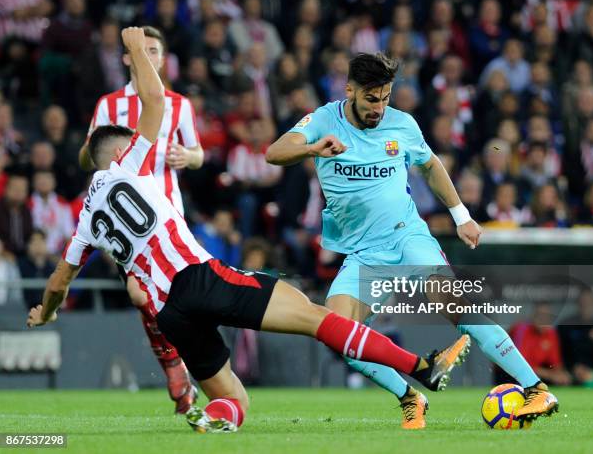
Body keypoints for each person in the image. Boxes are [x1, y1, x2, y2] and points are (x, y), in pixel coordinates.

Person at [26, 27, 469, 434]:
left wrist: (45, 312)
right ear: (122, 151)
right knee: (320, 318)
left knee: (234, 397)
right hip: (200, 278)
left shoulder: (85, 218)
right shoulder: (132, 165)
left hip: (169, 315)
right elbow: (156, 103)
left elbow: (59, 282)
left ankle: (215, 415)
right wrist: (139, 49)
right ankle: (421, 367)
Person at [266, 52, 559, 428]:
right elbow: (274, 153)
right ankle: (411, 395)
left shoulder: (402, 125)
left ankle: (535, 387)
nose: (380, 107)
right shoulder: (323, 120)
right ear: (350, 90)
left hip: (407, 236)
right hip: (362, 252)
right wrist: (312, 148)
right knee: (339, 334)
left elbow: (431, 165)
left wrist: (461, 216)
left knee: (454, 302)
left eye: (386, 97)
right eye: (372, 99)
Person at [78, 25, 204, 414]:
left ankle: (186, 365)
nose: (148, 56)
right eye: (141, 49)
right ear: (127, 57)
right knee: (140, 295)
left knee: (180, 297)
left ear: (164, 59)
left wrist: (188, 157)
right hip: (125, 222)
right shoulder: (108, 105)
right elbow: (86, 158)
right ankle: (173, 367)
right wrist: (95, 153)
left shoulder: (180, 105)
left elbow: (198, 153)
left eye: (155, 50)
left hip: (169, 214)